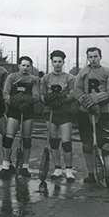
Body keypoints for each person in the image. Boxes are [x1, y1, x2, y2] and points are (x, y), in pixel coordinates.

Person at [0, 56, 39, 180]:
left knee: (26, 139)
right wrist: (13, 102)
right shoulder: (11, 77)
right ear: (19, 66)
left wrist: (27, 101)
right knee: (8, 138)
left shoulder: (34, 79)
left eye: (28, 65)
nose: (25, 68)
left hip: (27, 111)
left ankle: (25, 167)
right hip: (14, 110)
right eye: (23, 65)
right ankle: (5, 166)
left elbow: (36, 96)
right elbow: (5, 93)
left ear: (31, 67)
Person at [73, 47, 109, 184]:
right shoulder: (82, 72)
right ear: (87, 58)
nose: (93, 59)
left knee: (107, 144)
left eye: (95, 56)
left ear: (100, 57)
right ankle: (91, 174)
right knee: (87, 145)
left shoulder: (108, 72)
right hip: (85, 112)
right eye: (90, 57)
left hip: (103, 112)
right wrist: (85, 101)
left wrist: (95, 99)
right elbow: (76, 90)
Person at [40, 50, 76, 182]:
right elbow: (42, 95)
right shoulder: (45, 78)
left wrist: (62, 99)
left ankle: (69, 169)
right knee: (54, 141)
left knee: (66, 142)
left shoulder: (70, 78)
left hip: (64, 112)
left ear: (63, 62)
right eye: (55, 61)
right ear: (51, 62)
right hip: (51, 112)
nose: (57, 64)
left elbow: (72, 94)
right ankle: (57, 168)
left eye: (59, 61)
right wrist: (48, 100)